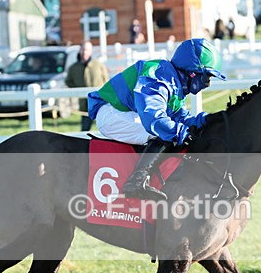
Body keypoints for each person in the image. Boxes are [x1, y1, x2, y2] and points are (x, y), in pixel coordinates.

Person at [87, 38, 225, 200]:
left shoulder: (173, 81)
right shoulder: (158, 76)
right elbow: (153, 118)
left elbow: (181, 117)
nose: (207, 83)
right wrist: (181, 132)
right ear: (192, 72)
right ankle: (136, 182)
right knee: (162, 132)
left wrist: (207, 120)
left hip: (124, 113)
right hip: (111, 113)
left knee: (170, 130)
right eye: (206, 76)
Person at [65, 41, 109, 132]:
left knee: (104, 130)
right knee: (85, 131)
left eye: (87, 50)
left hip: (99, 103)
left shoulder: (98, 65)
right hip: (84, 105)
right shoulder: (73, 68)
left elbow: (106, 81)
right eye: (83, 49)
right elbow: (69, 82)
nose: (85, 52)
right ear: (80, 50)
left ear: (91, 51)